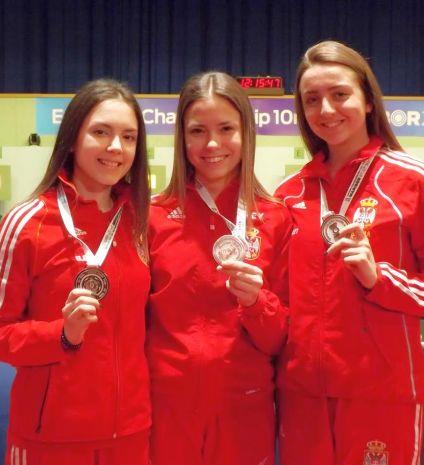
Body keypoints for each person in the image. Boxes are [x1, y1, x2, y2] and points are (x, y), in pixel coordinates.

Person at [275, 40, 424, 465]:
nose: (326, 109)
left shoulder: (414, 180)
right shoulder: (289, 194)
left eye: (339, 94)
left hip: (380, 393)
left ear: (367, 100)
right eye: (312, 99)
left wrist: (379, 278)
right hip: (302, 395)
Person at [0, 79, 151, 465]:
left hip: (130, 434)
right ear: (72, 139)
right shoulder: (27, 223)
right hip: (51, 437)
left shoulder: (140, 222)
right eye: (101, 132)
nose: (116, 147)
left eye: (128, 137)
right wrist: (62, 334)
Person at [147, 71, 291, 465]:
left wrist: (257, 303)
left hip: (244, 405)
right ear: (182, 138)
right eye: (198, 131)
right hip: (167, 404)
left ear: (246, 133)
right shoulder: (151, 216)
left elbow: (281, 339)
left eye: (226, 129)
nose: (212, 144)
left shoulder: (275, 218)